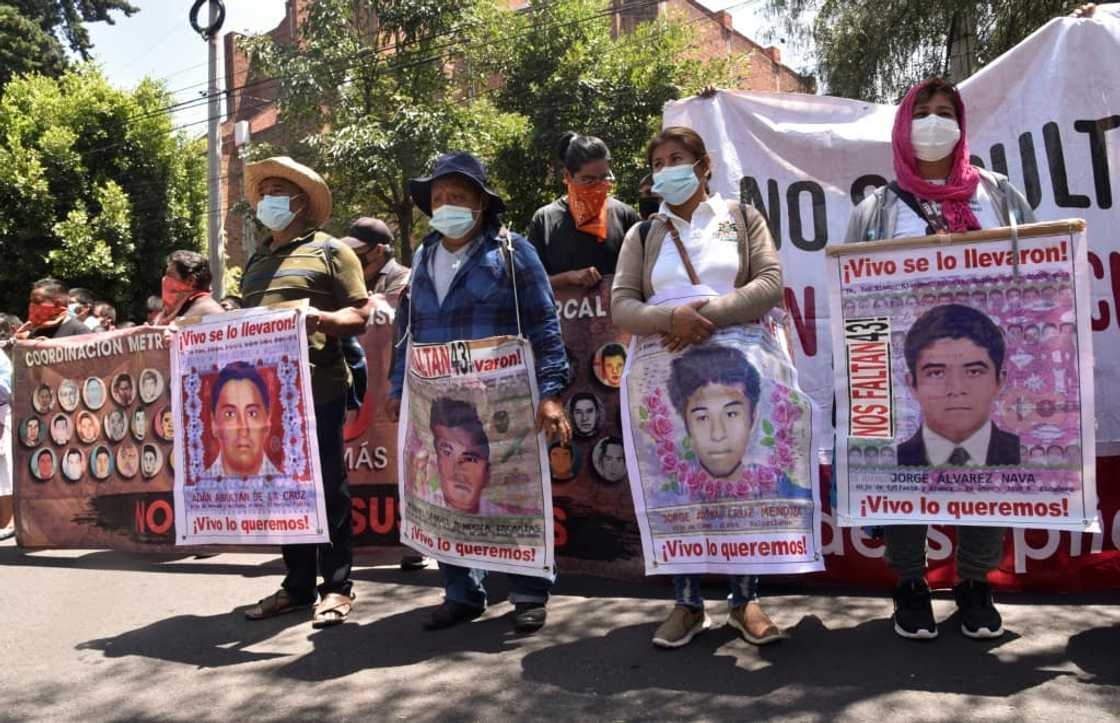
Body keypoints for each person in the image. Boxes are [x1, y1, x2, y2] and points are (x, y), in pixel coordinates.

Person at [845, 77, 1037, 642]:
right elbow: (852, 290)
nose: (934, 122)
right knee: (905, 469)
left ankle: (975, 583)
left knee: (987, 468)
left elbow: (1038, 271)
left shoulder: (997, 195)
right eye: (922, 112)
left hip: (984, 361)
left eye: (945, 112)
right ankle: (910, 584)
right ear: (904, 127)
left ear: (961, 123)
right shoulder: (876, 208)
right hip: (908, 371)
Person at [611, 126, 784, 650]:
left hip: (739, 373)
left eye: (677, 158)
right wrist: (669, 319)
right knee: (679, 483)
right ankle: (687, 604)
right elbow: (622, 305)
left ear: (704, 164)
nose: (668, 168)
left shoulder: (741, 218)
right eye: (659, 161)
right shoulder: (643, 235)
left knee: (740, 481)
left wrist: (701, 317)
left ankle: (744, 602)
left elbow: (770, 283)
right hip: (667, 380)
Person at [387, 151, 570, 634]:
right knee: (447, 499)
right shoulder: (423, 258)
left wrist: (551, 393)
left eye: (458, 197)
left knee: (516, 492)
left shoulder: (513, 253)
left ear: (482, 205)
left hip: (503, 406)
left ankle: (529, 593)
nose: (446, 205)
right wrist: (395, 386)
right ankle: (462, 593)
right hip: (437, 405)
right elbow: (407, 330)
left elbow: (544, 325)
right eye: (440, 197)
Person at [239, 156, 370, 629]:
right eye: (264, 192)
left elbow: (361, 314)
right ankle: (296, 587)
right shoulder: (255, 260)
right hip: (267, 400)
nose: (268, 200)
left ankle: (336, 588)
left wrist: (322, 320)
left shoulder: (331, 251)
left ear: (299, 201)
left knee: (328, 489)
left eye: (279, 191)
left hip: (319, 390)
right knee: (284, 494)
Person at [898, 305, 1019, 468]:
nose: (956, 389)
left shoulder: (1030, 454)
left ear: (1000, 380)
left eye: (974, 372)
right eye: (936, 373)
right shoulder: (889, 458)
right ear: (912, 384)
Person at [528, 132, 640, 291]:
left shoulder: (625, 216)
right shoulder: (544, 220)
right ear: (568, 176)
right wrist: (568, 278)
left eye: (604, 178)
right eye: (589, 180)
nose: (599, 186)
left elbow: (644, 277)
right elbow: (530, 284)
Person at [204, 362, 280, 478]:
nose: (243, 429)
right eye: (230, 414)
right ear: (214, 424)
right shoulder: (196, 487)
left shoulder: (292, 487)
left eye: (252, 413)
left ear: (267, 420)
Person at [427, 398, 494, 514]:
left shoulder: (504, 517)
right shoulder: (424, 508)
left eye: (470, 459)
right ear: (436, 462)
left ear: (487, 473)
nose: (457, 471)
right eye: (447, 453)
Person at [340, 217, 410, 295]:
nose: (351, 255)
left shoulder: (402, 278)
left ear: (379, 250)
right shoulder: (355, 280)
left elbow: (390, 304)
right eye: (349, 250)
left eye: (357, 250)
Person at [155, 250, 225, 324]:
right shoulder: (178, 309)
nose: (165, 279)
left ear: (191, 280)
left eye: (170, 275)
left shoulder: (209, 313)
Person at [16, 278, 92, 339]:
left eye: (37, 302)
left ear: (58, 304)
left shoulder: (80, 332)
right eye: (31, 302)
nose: (32, 306)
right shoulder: (37, 331)